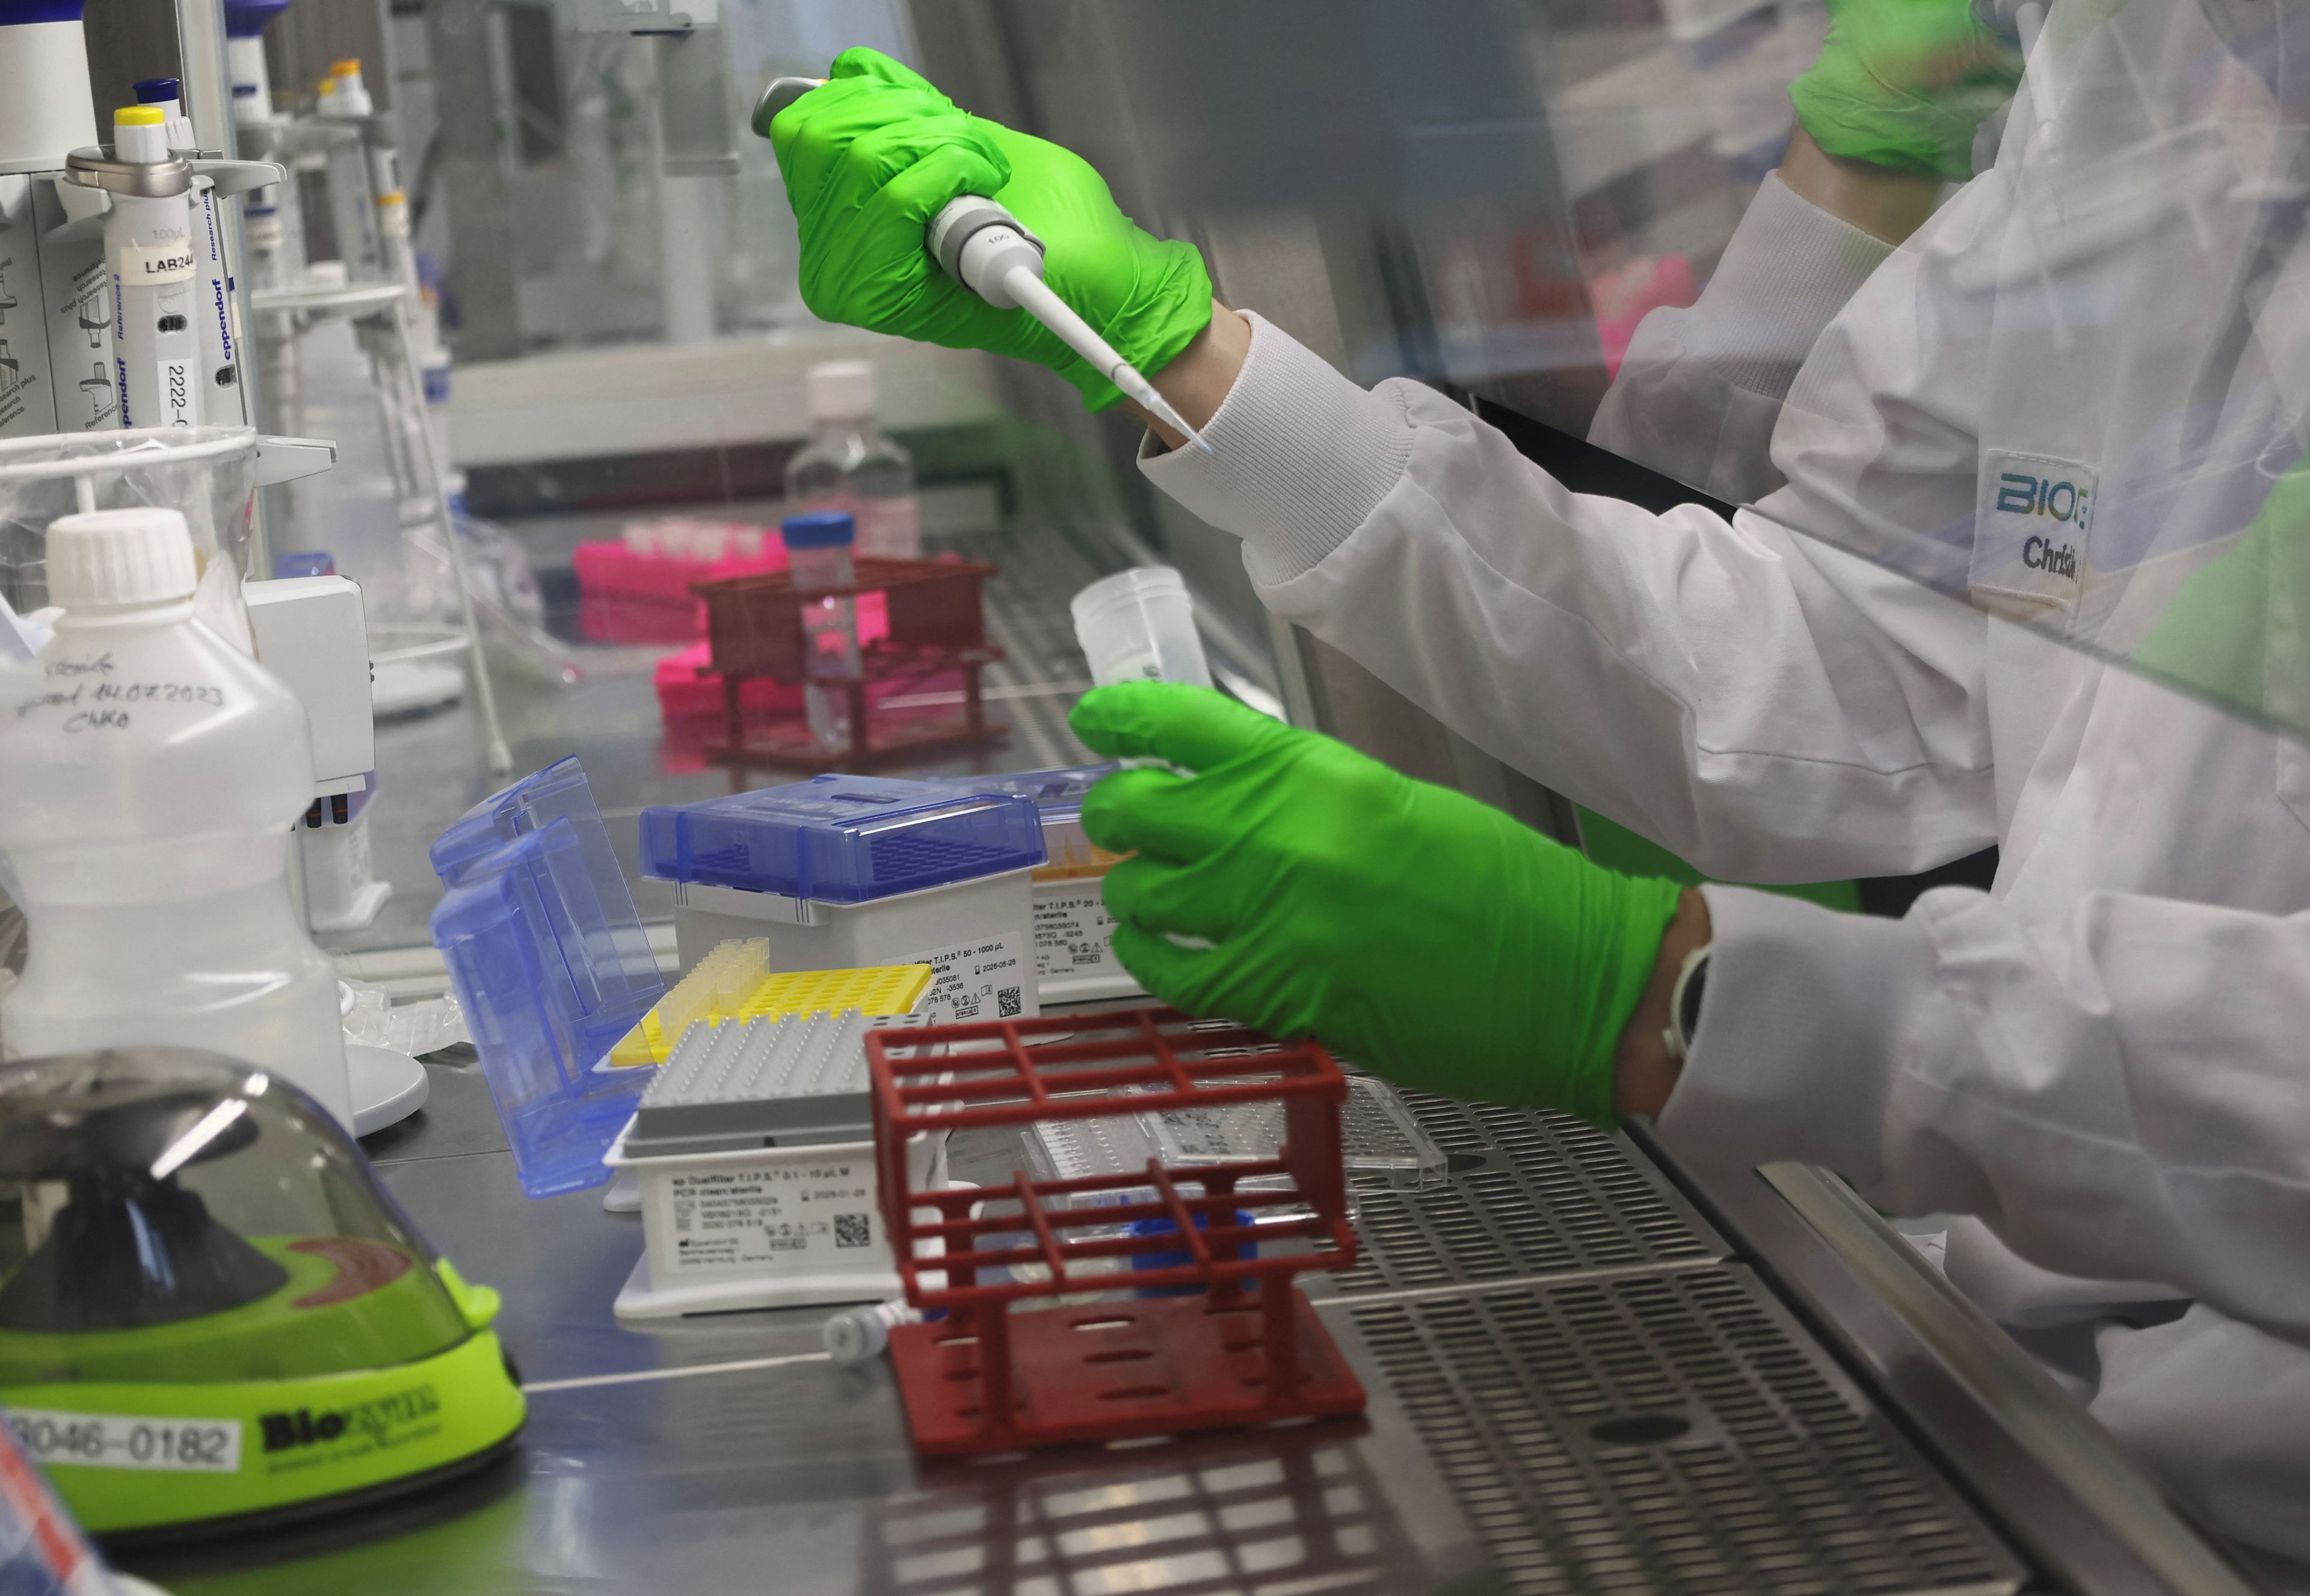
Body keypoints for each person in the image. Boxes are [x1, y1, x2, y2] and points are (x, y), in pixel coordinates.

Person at [766, 0, 2310, 1566]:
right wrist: (1191, 362)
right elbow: (1844, 648)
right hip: (2037, 1378)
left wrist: (1671, 996)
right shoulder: (2152, 81)